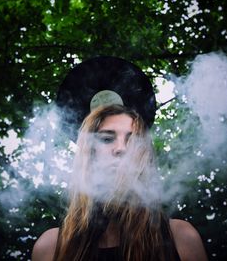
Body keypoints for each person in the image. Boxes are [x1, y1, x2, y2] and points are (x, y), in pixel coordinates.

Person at [32, 104, 208, 261]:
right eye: (107, 139)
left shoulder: (181, 238)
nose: (122, 148)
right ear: (89, 154)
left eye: (132, 140)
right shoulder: (51, 247)